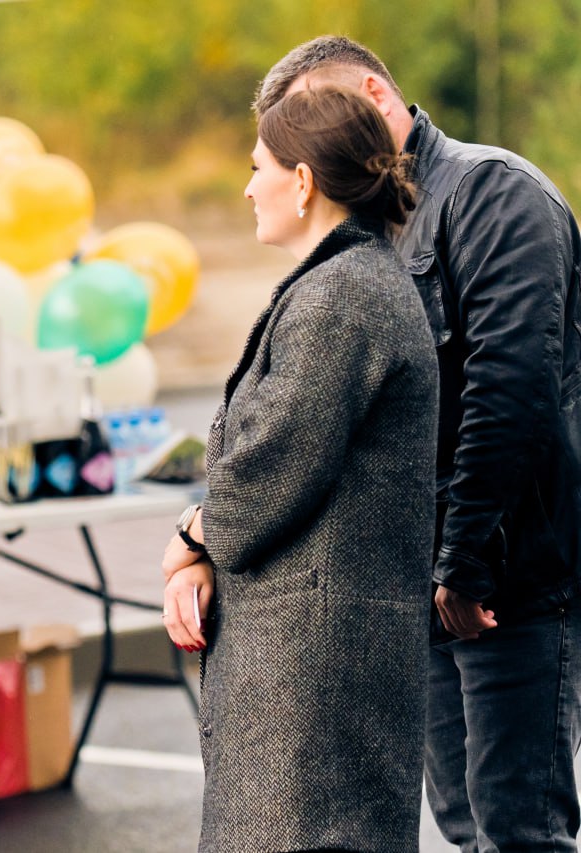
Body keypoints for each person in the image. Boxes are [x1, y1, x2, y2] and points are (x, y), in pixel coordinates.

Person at [254, 36, 581, 851]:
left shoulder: (492, 194)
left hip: (515, 575)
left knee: (519, 826)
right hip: (418, 580)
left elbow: (509, 393)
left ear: (374, 90)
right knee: (464, 824)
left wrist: (462, 558)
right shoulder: (362, 230)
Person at [160, 88, 438, 851]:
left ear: (305, 181)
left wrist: (189, 534)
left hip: (312, 692)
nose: (248, 187)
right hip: (321, 680)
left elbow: (264, 482)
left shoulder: (341, 298)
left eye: (259, 167)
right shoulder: (353, 281)